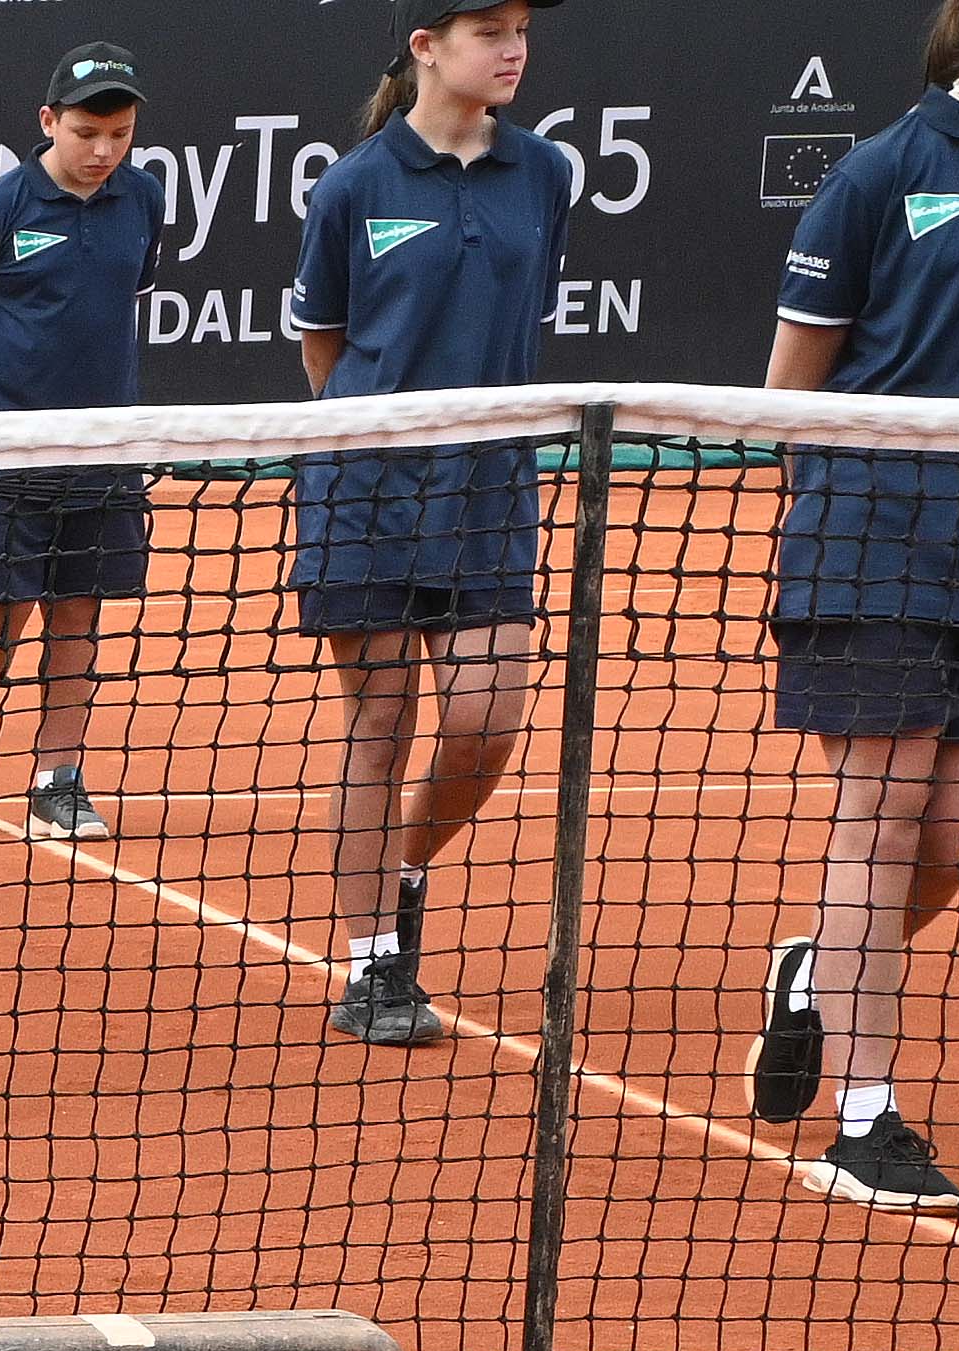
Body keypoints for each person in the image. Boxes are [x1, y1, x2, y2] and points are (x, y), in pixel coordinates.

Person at [746, 0, 959, 1214]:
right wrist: (831, 533)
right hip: (878, 531)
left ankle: (814, 977)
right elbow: (795, 390)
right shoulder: (882, 171)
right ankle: (863, 1114)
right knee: (884, 816)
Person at [285, 4, 579, 1048]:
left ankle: (404, 873)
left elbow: (520, 314)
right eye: (486, 28)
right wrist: (372, 444)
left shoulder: (545, 173)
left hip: (488, 493)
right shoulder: (356, 183)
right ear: (424, 47)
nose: (511, 49)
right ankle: (372, 965)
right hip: (362, 489)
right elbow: (325, 344)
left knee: (487, 722)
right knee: (380, 725)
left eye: (519, 30)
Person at [0, 44, 172, 841]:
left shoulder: (141, 200)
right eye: (85, 131)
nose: (103, 149)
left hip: (102, 449)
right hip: (7, 448)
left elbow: (119, 303)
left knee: (76, 615)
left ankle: (56, 779)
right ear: (47, 123)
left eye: (119, 132)